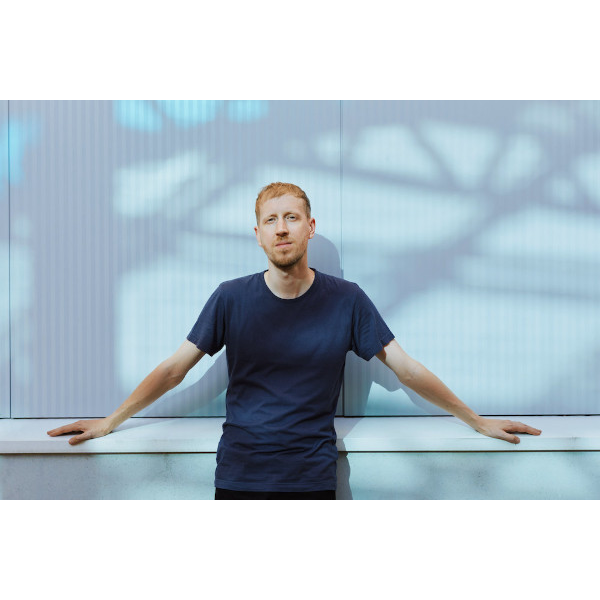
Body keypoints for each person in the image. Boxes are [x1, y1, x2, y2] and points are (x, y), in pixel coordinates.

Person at [47, 182, 542, 500]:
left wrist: (476, 421)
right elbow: (177, 370)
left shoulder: (347, 299)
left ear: (309, 227)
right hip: (239, 477)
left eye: (291, 218)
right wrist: (111, 422)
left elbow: (406, 369)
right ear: (258, 234)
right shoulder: (230, 297)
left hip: (311, 479)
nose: (281, 229)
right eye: (271, 220)